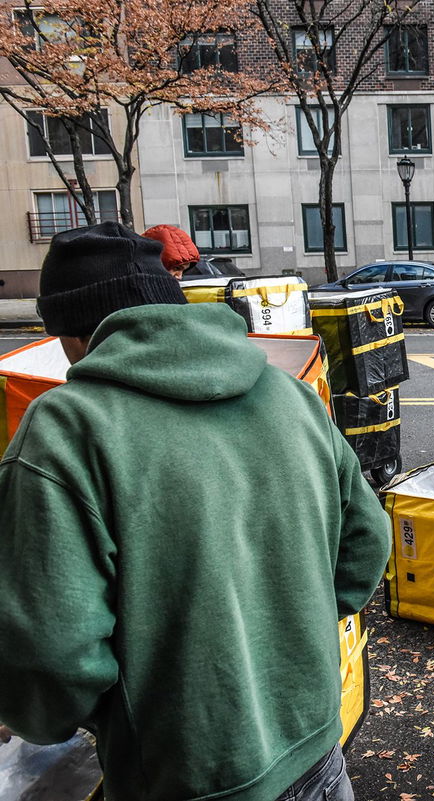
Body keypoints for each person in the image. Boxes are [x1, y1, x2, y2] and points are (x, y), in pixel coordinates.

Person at [0, 222, 391, 801]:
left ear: (73, 336)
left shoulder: (66, 429)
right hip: (318, 751)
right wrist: (285, 631)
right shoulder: (290, 395)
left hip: (188, 776)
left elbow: (50, 657)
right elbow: (367, 543)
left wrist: (45, 716)